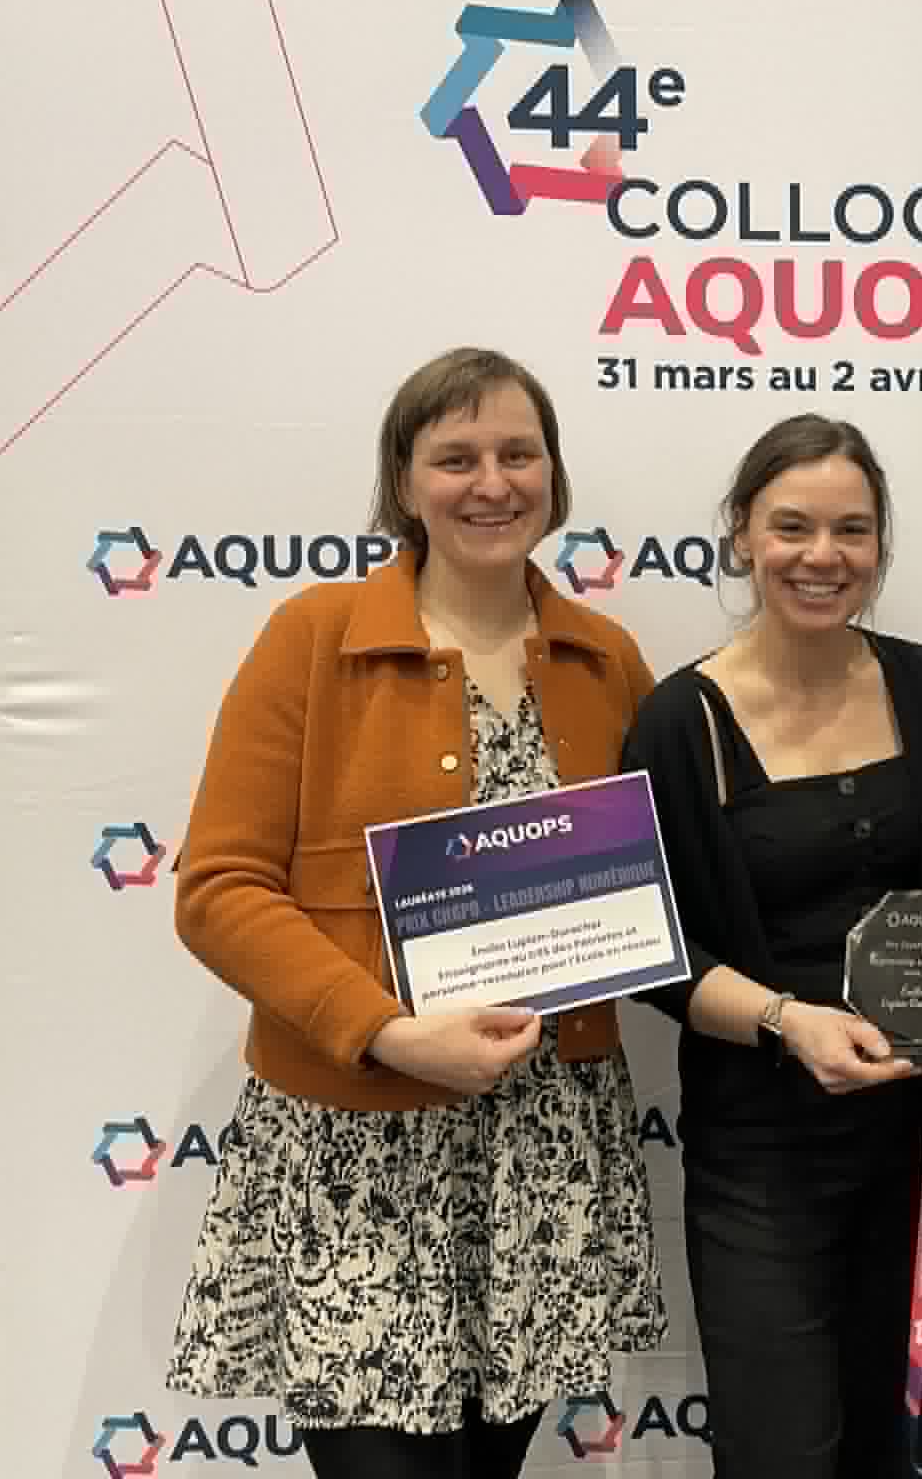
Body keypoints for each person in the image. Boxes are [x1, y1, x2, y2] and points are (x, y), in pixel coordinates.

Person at [163, 347, 666, 1479]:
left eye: (518, 454)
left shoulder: (606, 660)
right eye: (455, 457)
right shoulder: (314, 637)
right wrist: (389, 1032)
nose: (491, 482)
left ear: (554, 476)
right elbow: (219, 890)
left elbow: (656, 881)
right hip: (358, 1150)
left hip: (543, 1155)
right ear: (403, 481)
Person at [619, 413, 922, 1479]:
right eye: (791, 526)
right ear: (742, 533)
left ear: (880, 543)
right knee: (779, 1451)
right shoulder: (680, 721)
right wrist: (788, 1024)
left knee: (901, 1444)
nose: (822, 556)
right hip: (761, 1153)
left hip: (910, 1142)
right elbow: (652, 953)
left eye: (851, 530)